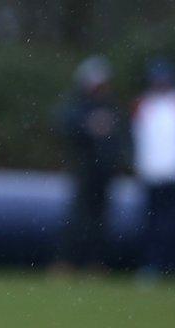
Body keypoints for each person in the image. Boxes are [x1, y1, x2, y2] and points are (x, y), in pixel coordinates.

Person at [54, 55, 126, 270]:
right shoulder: (79, 107)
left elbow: (121, 138)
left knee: (99, 219)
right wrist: (89, 126)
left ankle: (95, 262)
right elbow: (65, 124)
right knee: (77, 217)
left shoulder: (111, 107)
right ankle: (68, 261)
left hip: (103, 173)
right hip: (84, 171)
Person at [132, 57, 175, 276]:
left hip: (174, 174)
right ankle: (153, 265)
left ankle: (173, 264)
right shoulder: (144, 105)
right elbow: (139, 139)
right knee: (152, 223)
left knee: (173, 223)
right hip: (150, 173)